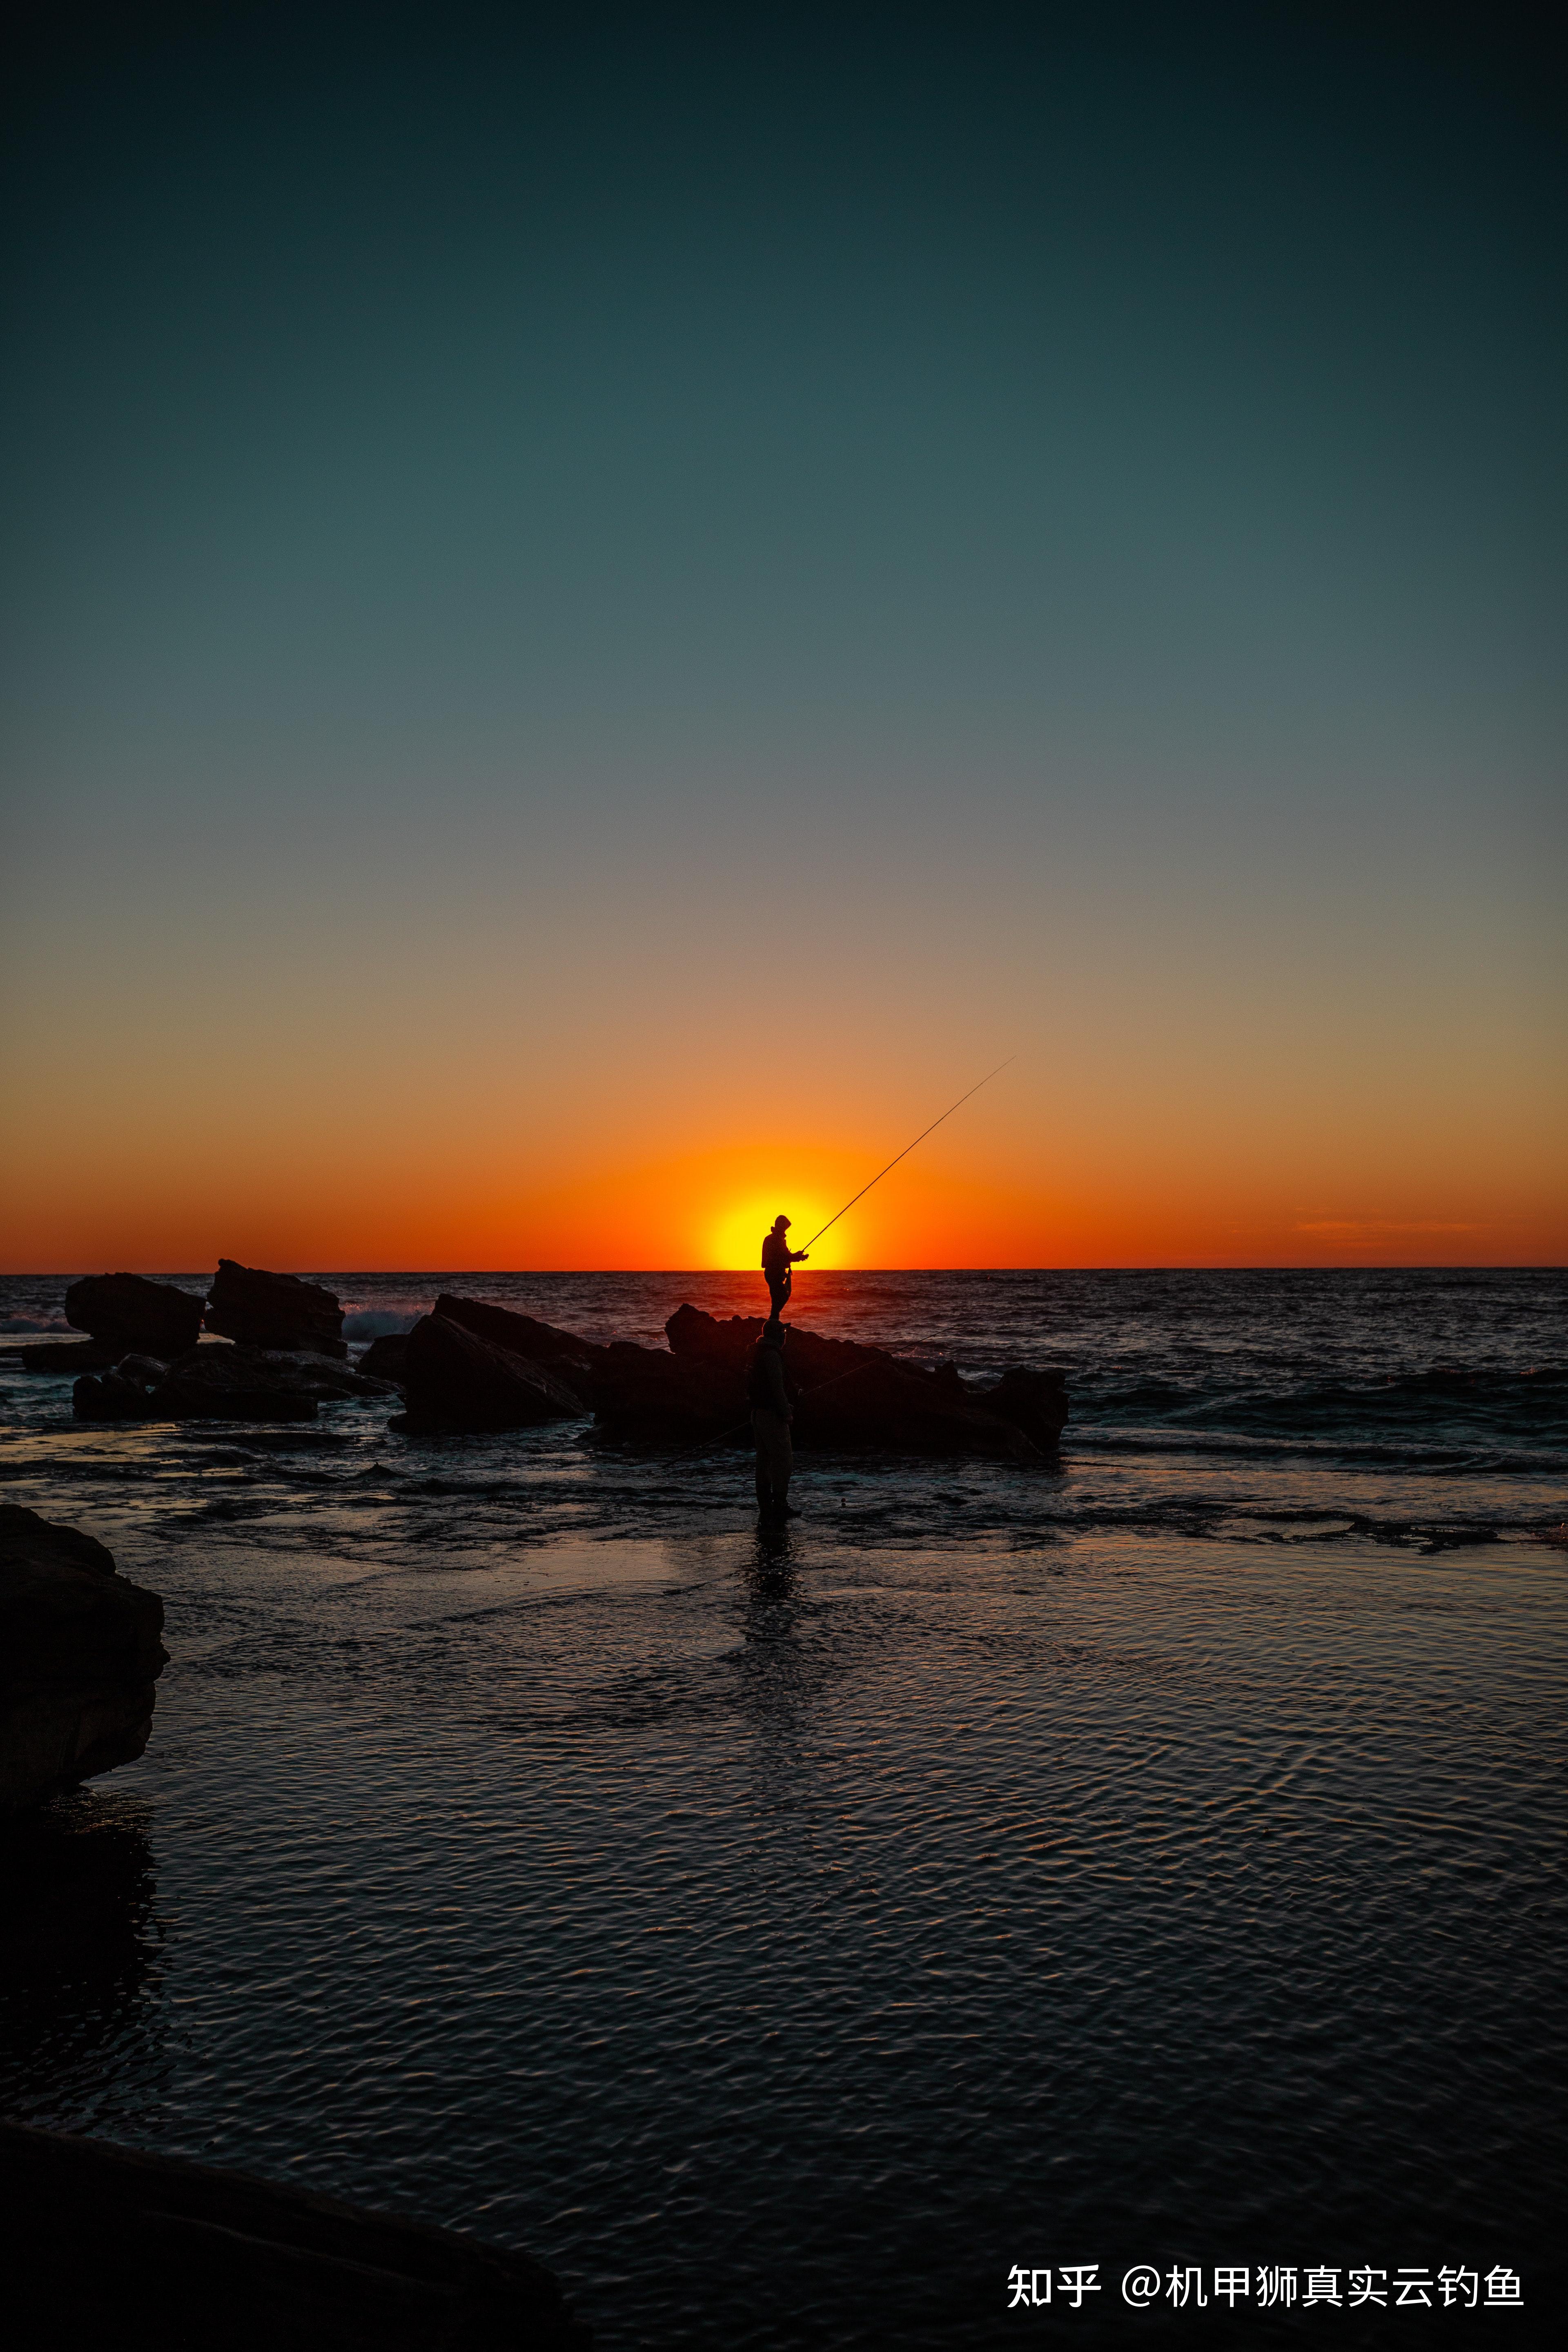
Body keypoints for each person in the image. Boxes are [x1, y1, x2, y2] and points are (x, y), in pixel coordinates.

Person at [748, 1317, 798, 1521]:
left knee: (764, 1463)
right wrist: (786, 1412)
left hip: (758, 1414)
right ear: (776, 1335)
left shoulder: (757, 1353)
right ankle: (779, 1505)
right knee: (783, 1462)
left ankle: (766, 1507)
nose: (785, 1336)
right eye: (783, 1333)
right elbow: (776, 1387)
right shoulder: (772, 1355)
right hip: (771, 1416)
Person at [761, 1215, 808, 1318]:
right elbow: (784, 1256)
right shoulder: (775, 1239)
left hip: (775, 1273)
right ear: (780, 1226)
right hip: (773, 1273)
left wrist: (799, 1257)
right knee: (781, 1297)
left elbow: (785, 1256)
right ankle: (773, 1321)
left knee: (779, 1298)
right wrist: (797, 1256)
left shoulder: (777, 1239)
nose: (785, 1231)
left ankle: (774, 1320)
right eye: (784, 1228)